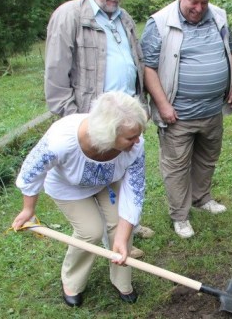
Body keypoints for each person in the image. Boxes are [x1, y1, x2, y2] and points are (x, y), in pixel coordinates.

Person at [43, 0, 153, 255]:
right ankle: (110, 240)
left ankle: (123, 232)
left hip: (126, 117)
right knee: (98, 177)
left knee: (121, 175)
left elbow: (136, 63)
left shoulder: (123, 17)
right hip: (95, 124)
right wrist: (80, 127)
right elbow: (55, 79)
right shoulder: (69, 16)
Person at [11, 91, 148, 307]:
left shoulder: (134, 146)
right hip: (69, 186)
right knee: (90, 232)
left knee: (120, 227)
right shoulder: (61, 140)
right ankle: (72, 283)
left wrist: (122, 237)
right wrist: (28, 209)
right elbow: (32, 171)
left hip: (107, 181)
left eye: (138, 133)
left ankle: (122, 281)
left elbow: (134, 189)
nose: (137, 140)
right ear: (108, 136)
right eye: (131, 137)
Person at [140, 0, 232, 239]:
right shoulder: (159, 23)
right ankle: (180, 216)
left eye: (204, 2)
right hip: (177, 114)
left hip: (212, 109)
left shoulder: (218, 15)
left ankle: (201, 198)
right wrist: (162, 105)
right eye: (193, 2)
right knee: (176, 166)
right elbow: (148, 68)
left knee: (208, 158)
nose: (199, 8)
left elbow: (230, 49)